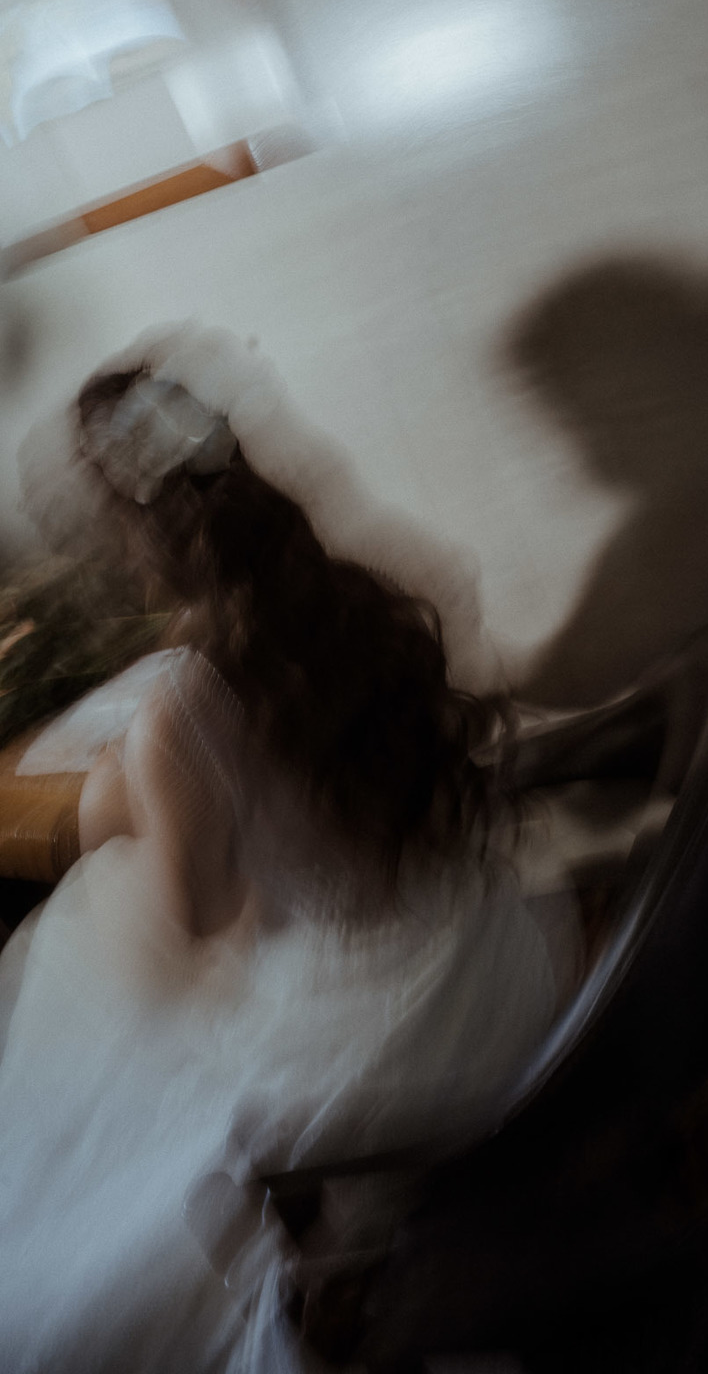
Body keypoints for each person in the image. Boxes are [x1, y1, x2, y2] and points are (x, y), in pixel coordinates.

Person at [0, 345, 568, 1373]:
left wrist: (128, 807)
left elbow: (192, 936)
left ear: (132, 542)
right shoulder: (357, 592)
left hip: (389, 1050)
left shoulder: (181, 712)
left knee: (80, 958)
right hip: (480, 951)